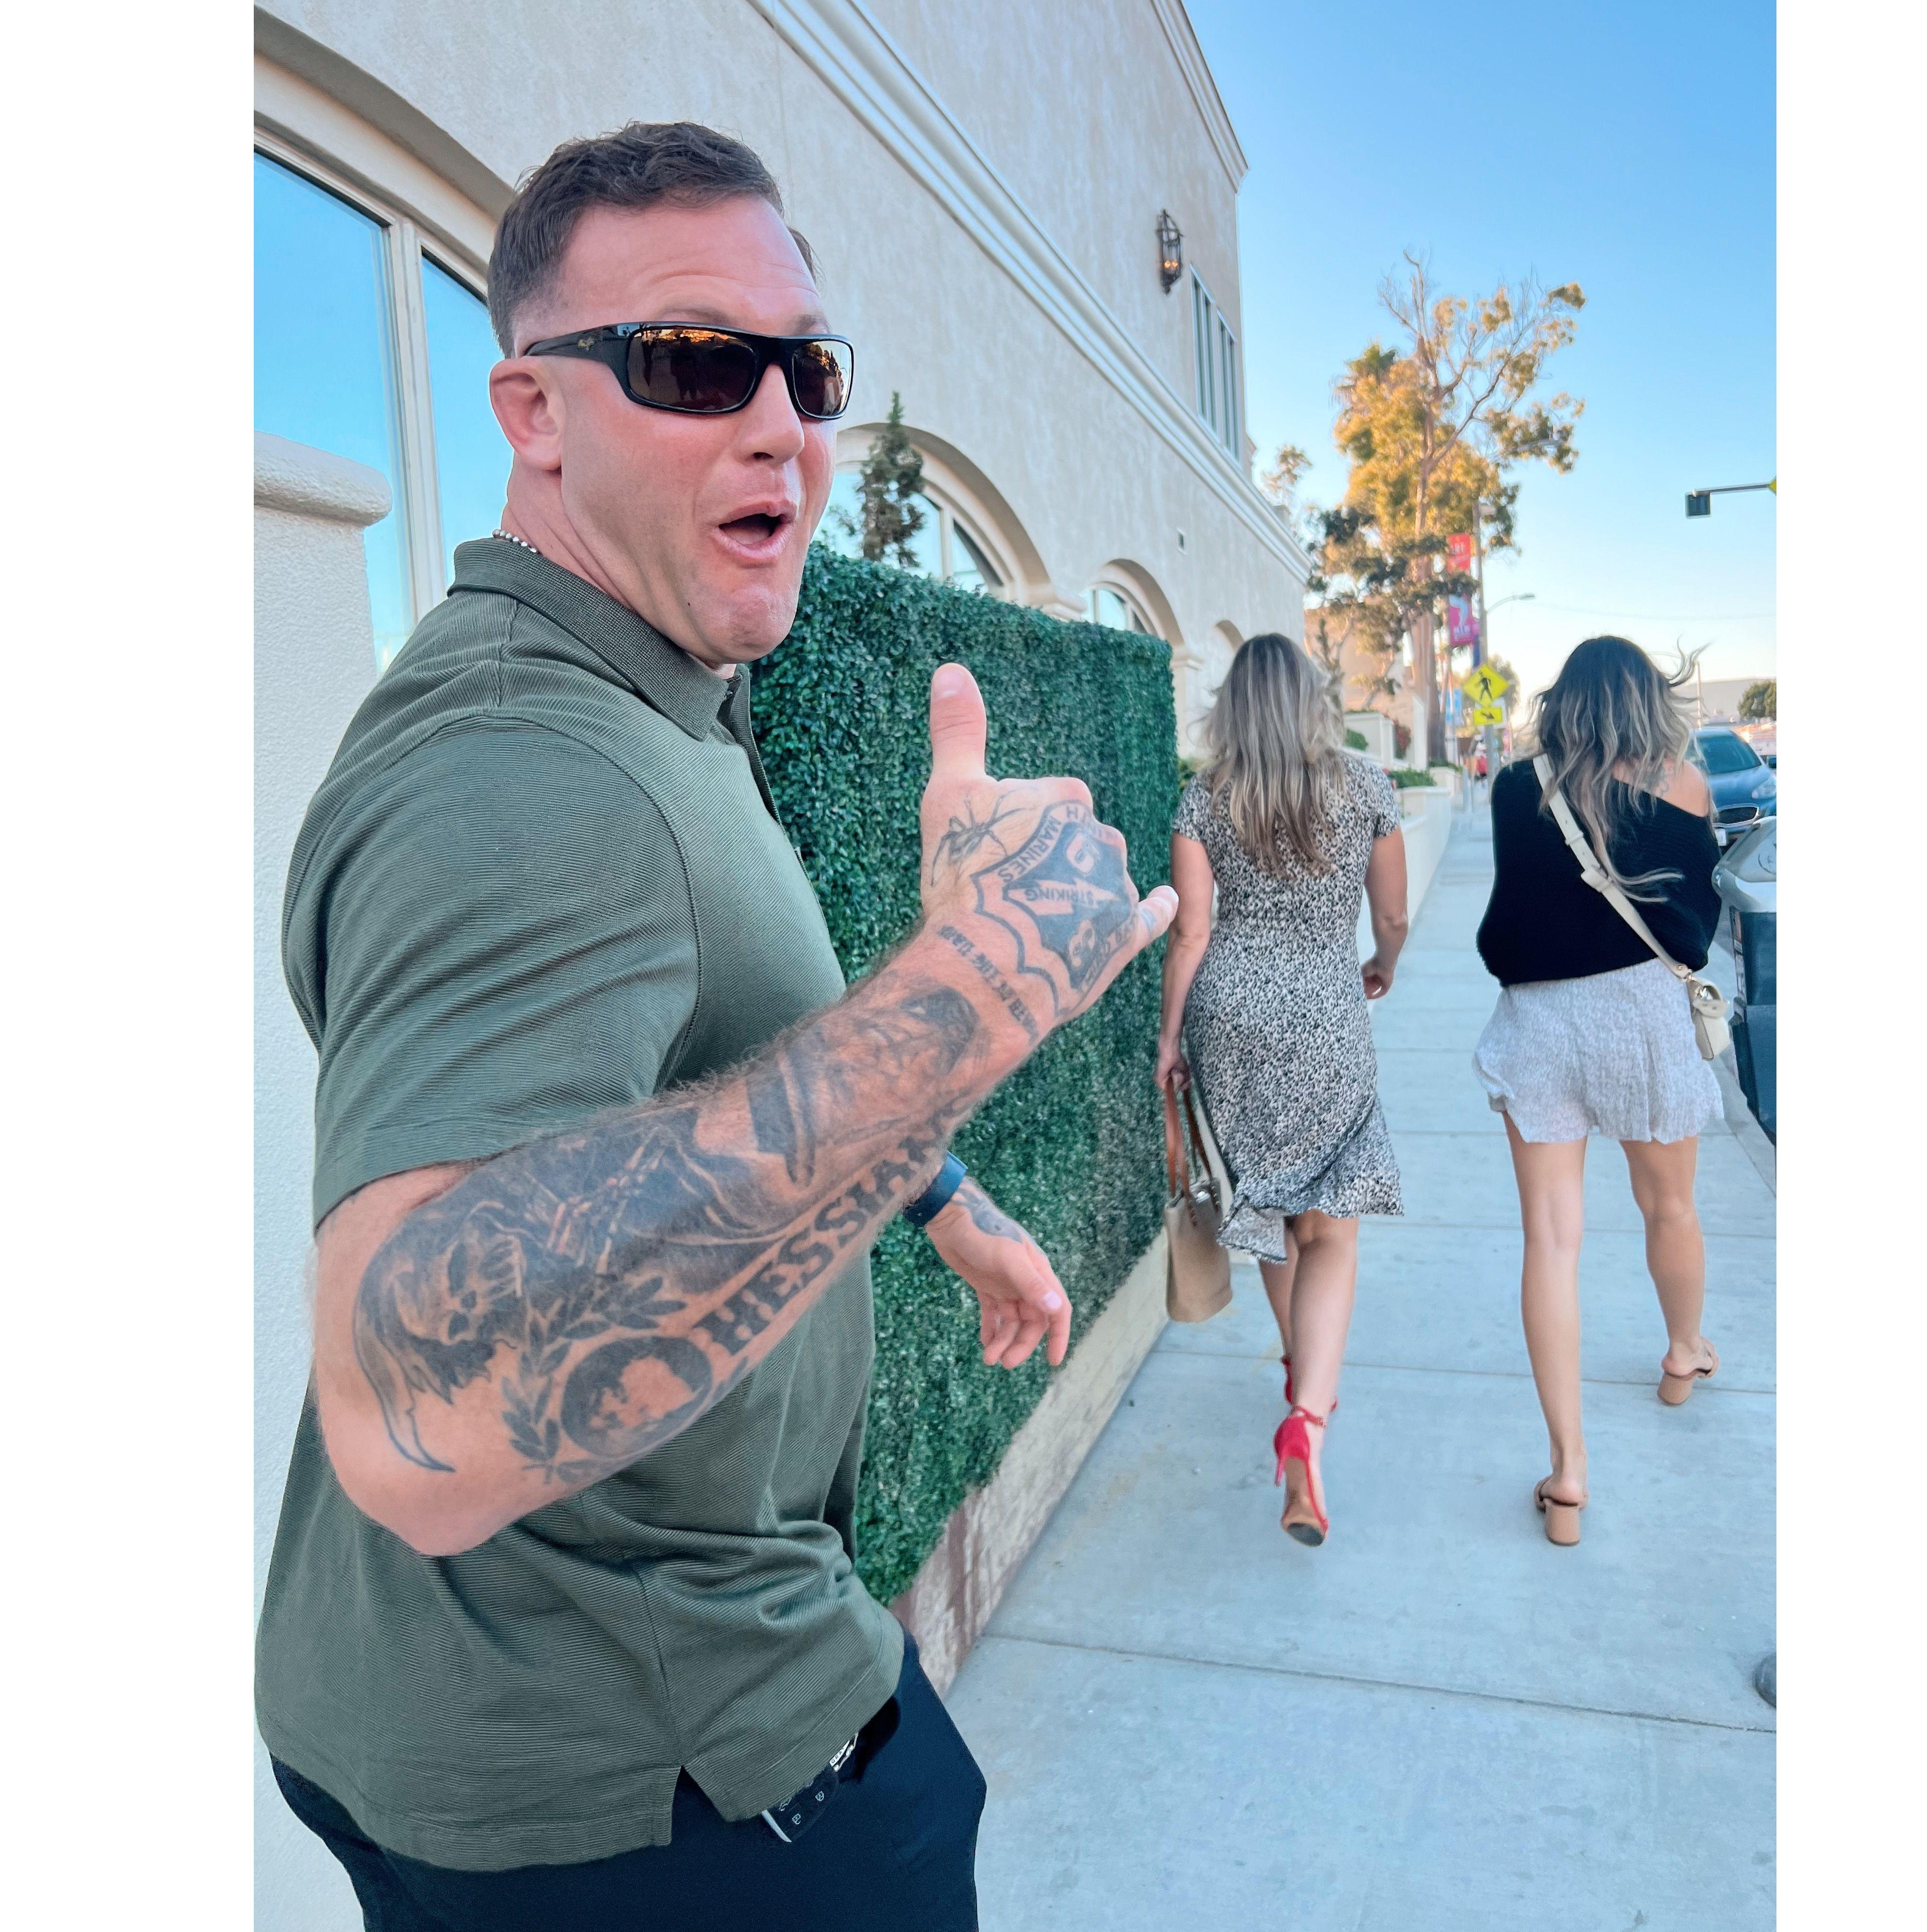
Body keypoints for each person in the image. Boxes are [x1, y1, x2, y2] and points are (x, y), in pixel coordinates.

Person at [254, 119, 1176, 1932]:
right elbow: (411, 1409)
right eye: (691, 362)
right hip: (640, 1787)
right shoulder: (524, 767)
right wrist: (979, 990)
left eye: (807, 369)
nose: (780, 422)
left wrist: (946, 1199)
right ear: (533, 412)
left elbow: (718, 1074)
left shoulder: (652, 692)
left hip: (603, 1717)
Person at [1155, 634, 1409, 1546]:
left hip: (1230, 1016)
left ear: (1234, 705)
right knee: (1331, 1227)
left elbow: (1189, 934)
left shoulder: (1205, 798)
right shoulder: (1366, 785)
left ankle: (1303, 1369)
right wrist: (1382, 964)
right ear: (1312, 702)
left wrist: (1169, 1039)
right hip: (1326, 1012)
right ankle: (1307, 1416)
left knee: (1265, 1209)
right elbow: (1392, 915)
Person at [1471, 636, 1724, 1548]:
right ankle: (1682, 1355)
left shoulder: (1514, 786)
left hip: (1539, 1023)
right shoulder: (1684, 786)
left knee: (1550, 1240)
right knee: (1671, 1209)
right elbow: (1698, 918)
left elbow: (1525, 895)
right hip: (1642, 1021)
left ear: (1564, 701)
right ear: (1649, 701)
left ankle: (1569, 1471)